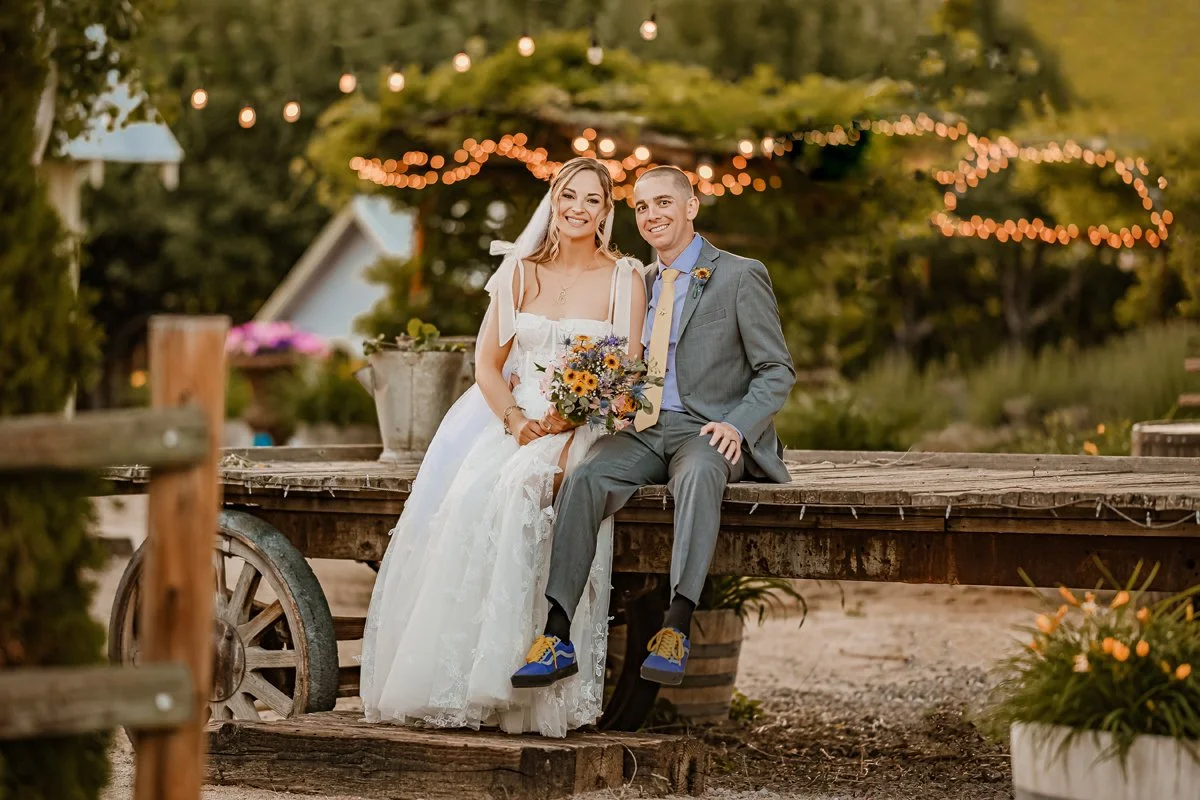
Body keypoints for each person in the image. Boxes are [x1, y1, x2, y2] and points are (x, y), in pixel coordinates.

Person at [359, 158, 648, 737]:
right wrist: (517, 421)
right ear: (553, 197)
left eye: (593, 200)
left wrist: (575, 421)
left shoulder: (625, 278)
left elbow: (629, 372)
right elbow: (487, 366)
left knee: (526, 487)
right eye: (570, 195)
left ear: (606, 212)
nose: (578, 209)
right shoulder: (518, 272)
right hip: (514, 417)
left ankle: (529, 666)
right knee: (470, 495)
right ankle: (465, 673)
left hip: (586, 424)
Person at [513, 165, 795, 689]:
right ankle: (557, 635)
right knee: (586, 475)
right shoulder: (638, 281)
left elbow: (776, 369)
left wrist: (737, 425)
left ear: (691, 207)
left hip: (708, 430)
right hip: (643, 427)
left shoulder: (738, 273)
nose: (652, 215)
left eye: (664, 203)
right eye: (642, 207)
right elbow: (621, 365)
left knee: (698, 476)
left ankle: (676, 624)